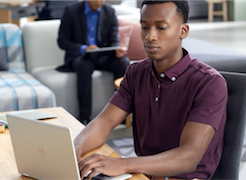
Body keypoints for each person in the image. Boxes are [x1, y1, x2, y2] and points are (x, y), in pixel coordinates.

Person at [74, 0, 228, 180]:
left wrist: (123, 164)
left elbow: (189, 157)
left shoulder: (209, 83)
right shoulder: (136, 72)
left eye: (161, 27)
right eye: (144, 27)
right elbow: (104, 122)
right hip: (143, 174)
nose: (150, 36)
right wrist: (74, 149)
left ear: (183, 31)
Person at [57, 0, 130, 125]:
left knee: (123, 62)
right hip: (80, 56)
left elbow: (114, 39)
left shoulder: (110, 11)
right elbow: (62, 41)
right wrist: (83, 48)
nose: (99, 1)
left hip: (101, 55)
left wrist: (116, 48)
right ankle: (84, 117)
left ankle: (121, 116)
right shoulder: (71, 11)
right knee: (84, 66)